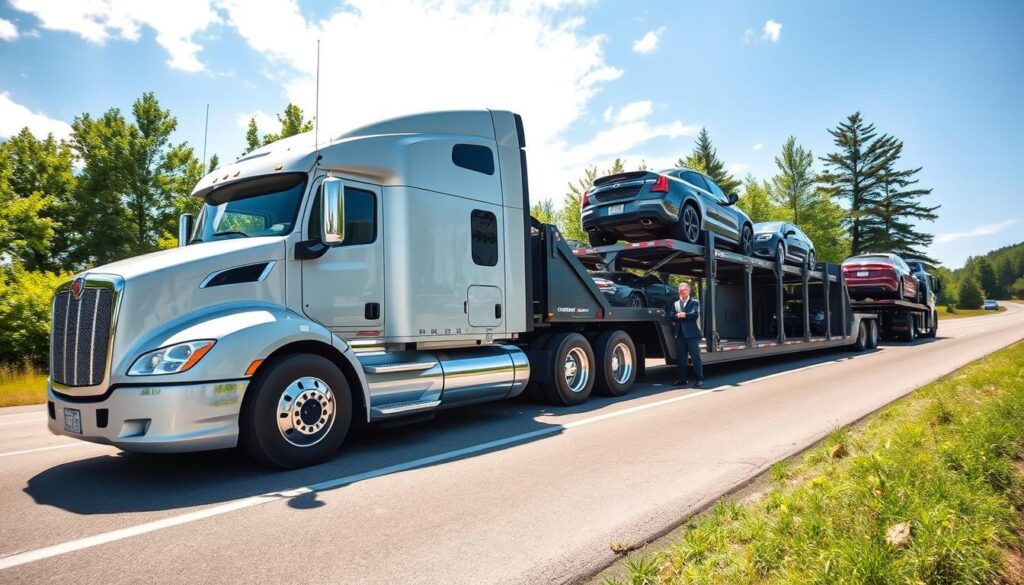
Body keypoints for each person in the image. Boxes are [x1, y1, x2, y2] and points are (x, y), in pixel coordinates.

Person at [670, 282, 704, 388]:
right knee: (681, 358)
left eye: (682, 290)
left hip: (691, 334)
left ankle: (699, 379)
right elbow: (671, 316)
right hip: (679, 334)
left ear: (688, 291)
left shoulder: (694, 302)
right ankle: (682, 379)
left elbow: (694, 314)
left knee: (695, 357)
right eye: (679, 291)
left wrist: (684, 315)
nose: (680, 292)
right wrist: (677, 315)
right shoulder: (675, 304)